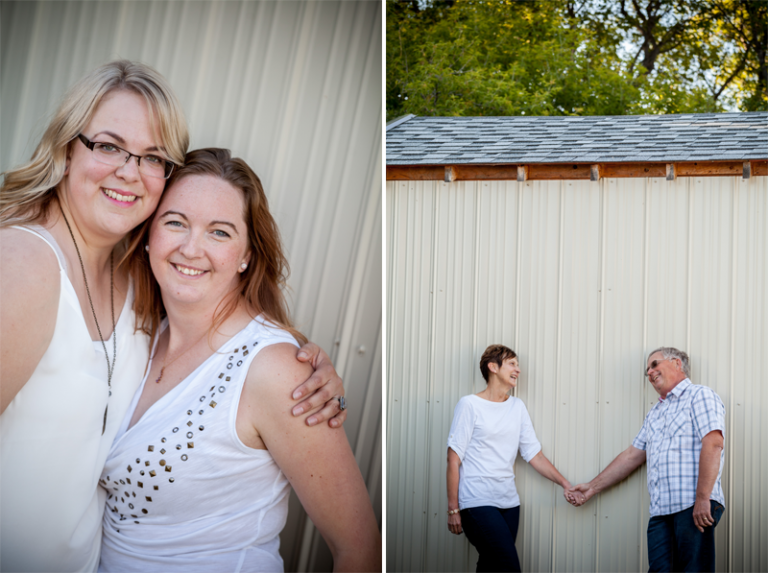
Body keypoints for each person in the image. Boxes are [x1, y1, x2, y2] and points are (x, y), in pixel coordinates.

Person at [0, 61, 346, 573]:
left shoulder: (136, 280)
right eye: (109, 146)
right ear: (66, 147)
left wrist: (305, 363)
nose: (128, 170)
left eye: (152, 157)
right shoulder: (23, 264)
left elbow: (223, 331)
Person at [96, 148, 382, 572]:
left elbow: (359, 550)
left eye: (220, 232)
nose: (191, 249)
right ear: (149, 236)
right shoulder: (137, 334)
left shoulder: (276, 370)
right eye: (175, 223)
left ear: (247, 254)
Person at [566, 347, 726, 573]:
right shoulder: (655, 413)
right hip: (661, 512)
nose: (649, 372)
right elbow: (632, 456)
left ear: (677, 364)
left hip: (693, 506)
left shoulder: (700, 395)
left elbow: (713, 444)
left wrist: (703, 498)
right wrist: (591, 488)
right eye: (647, 370)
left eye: (654, 364)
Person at [446, 344, 572, 573]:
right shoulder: (470, 405)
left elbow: (535, 455)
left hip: (509, 504)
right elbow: (453, 458)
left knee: (491, 566)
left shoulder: (517, 407)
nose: (518, 369)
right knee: (508, 566)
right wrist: (453, 509)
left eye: (518, 364)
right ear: (493, 367)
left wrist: (565, 483)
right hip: (476, 501)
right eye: (512, 363)